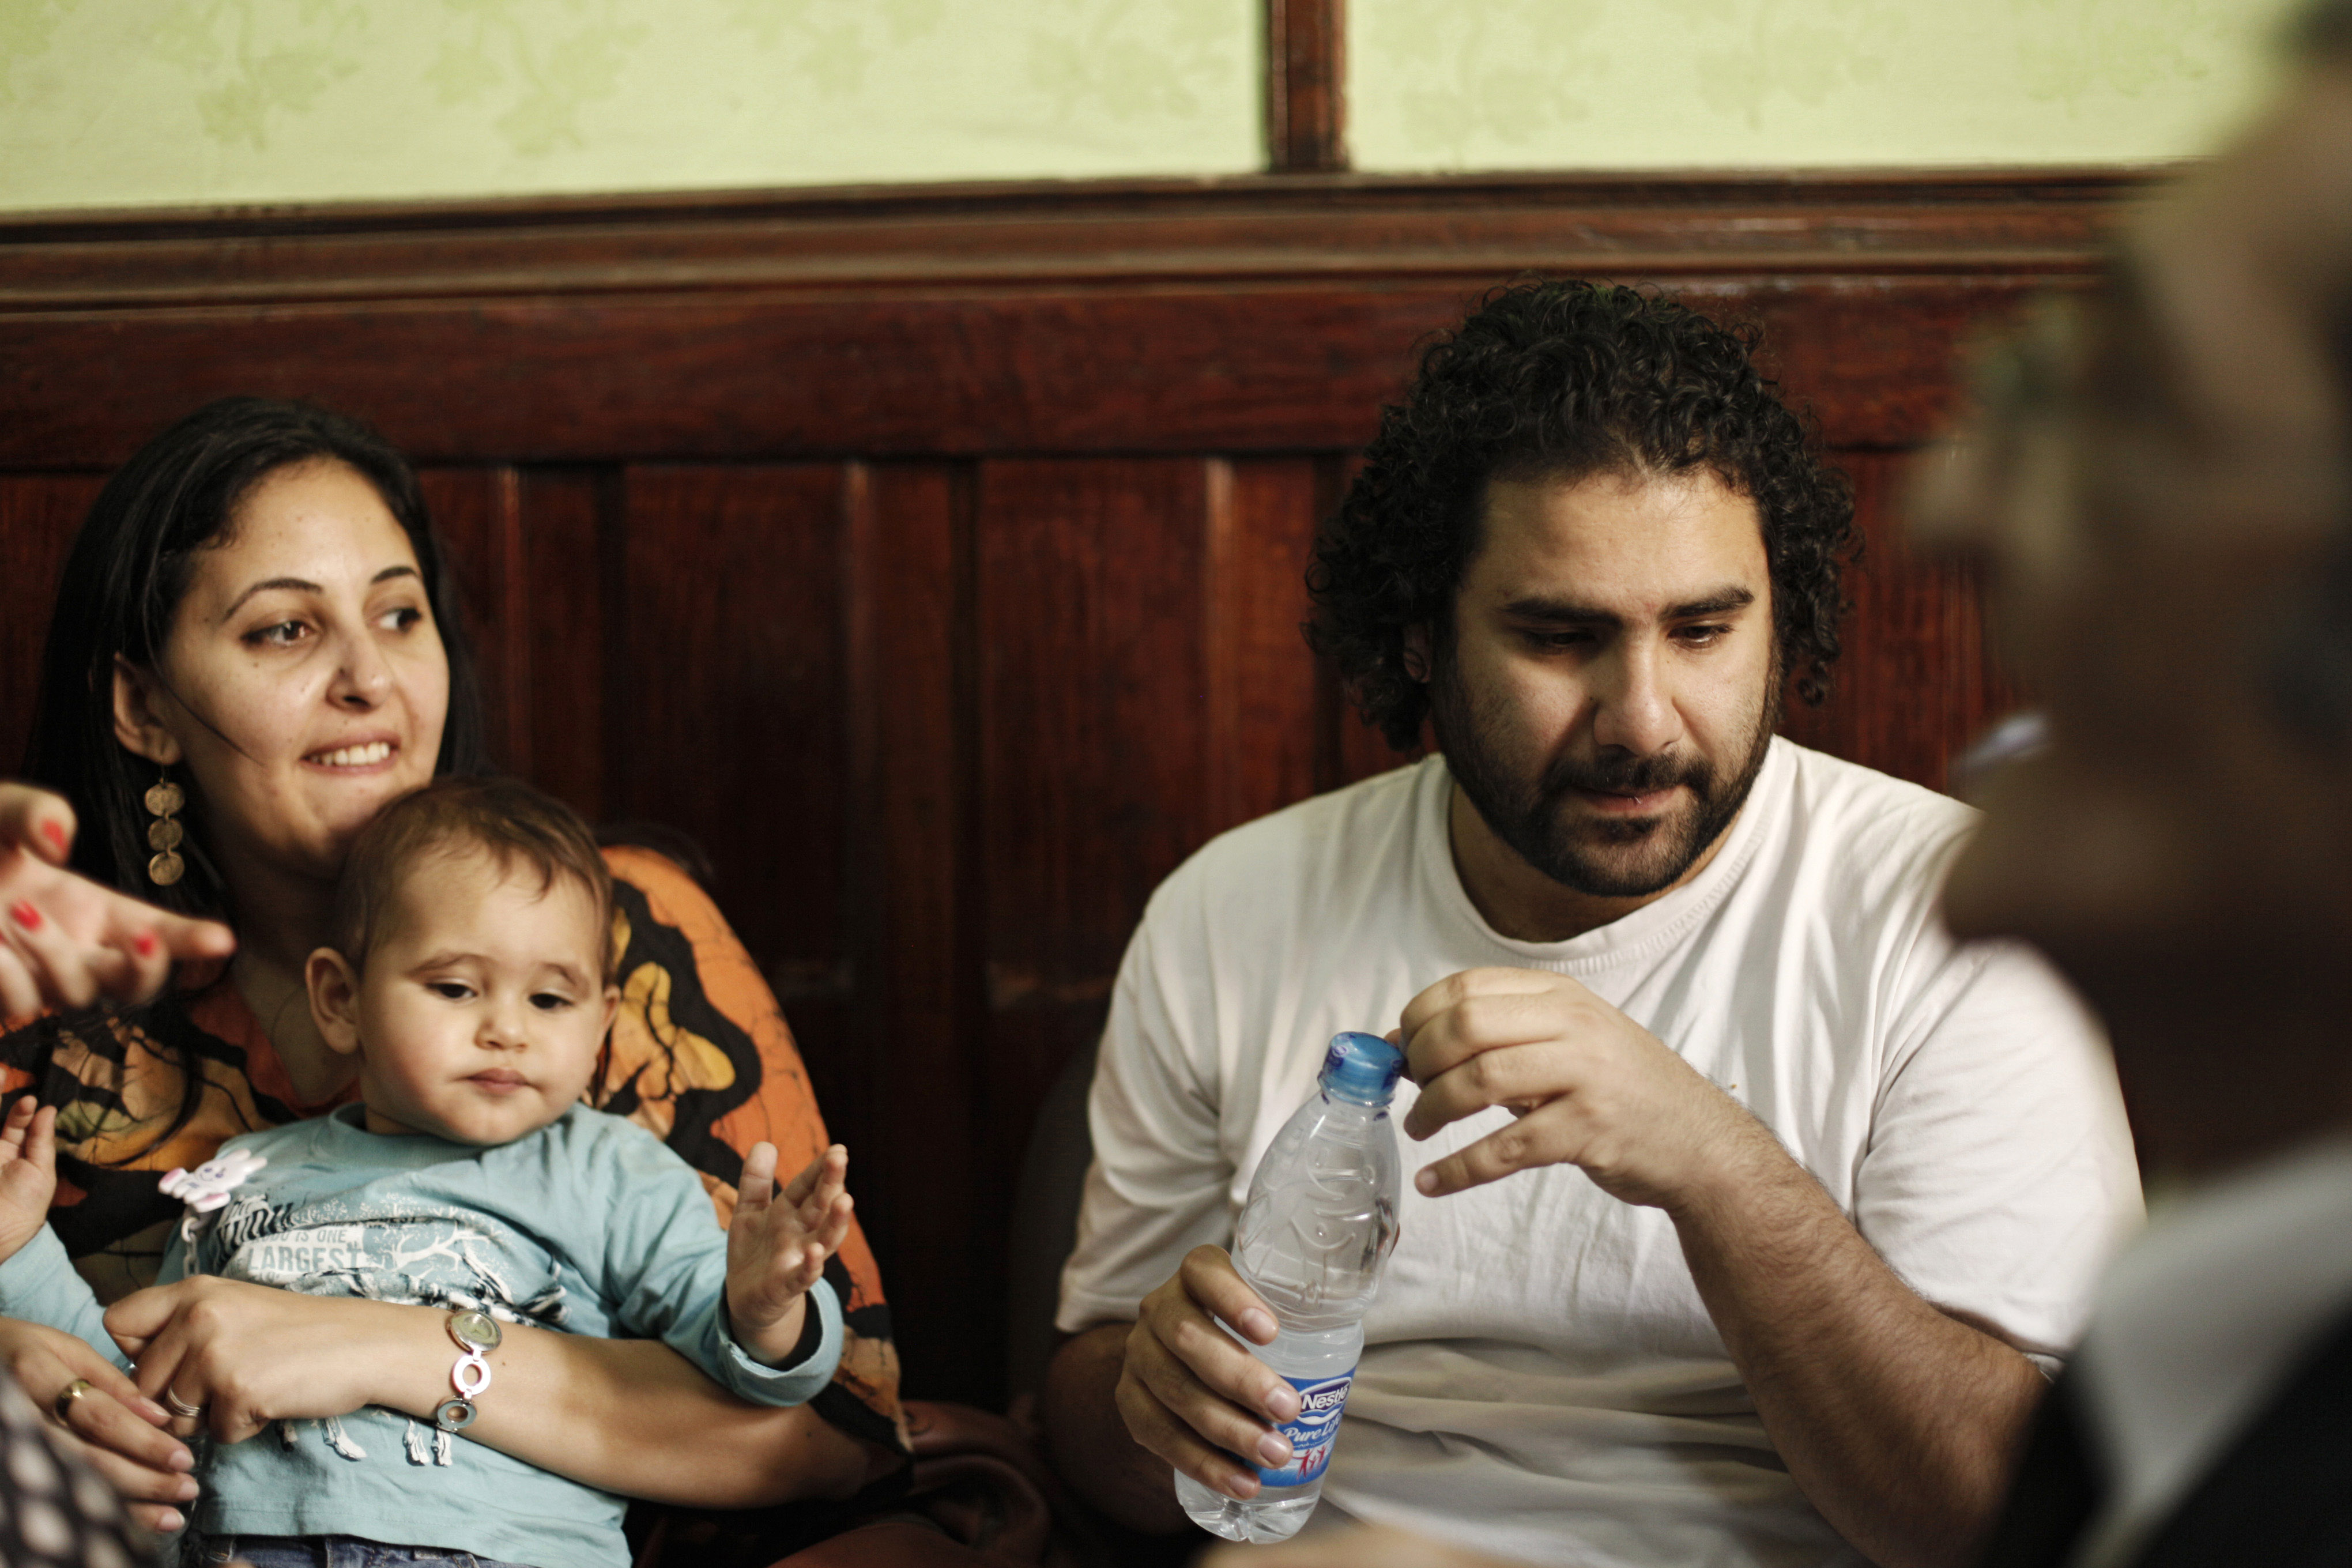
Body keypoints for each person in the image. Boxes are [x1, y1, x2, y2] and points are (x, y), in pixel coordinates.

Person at [1039, 281, 2142, 1568]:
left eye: (1705, 631)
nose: (1645, 718)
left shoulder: (1959, 911)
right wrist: (1147, 1394)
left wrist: (1714, 1164)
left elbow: (2012, 1519)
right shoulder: (1230, 907)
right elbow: (1093, 1436)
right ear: (1416, 635)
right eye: (1562, 637)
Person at [0, 397, 903, 1539]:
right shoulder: (37, 997)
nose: (369, 677)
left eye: (399, 613)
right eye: (284, 630)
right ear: (143, 706)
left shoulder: (612, 933)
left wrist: (380, 1346)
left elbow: (837, 1441)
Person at [0, 774, 859, 1568]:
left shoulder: (610, 1170)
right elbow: (133, 1386)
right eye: (455, 988)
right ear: (341, 1001)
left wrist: (765, 1309)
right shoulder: (245, 1172)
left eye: (549, 1000)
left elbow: (751, 1382)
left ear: (600, 1028)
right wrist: (19, 1252)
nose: (506, 1030)